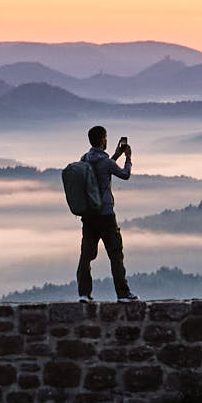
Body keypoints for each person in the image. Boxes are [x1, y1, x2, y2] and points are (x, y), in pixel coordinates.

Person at [76, 125, 136, 301]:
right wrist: (128, 158)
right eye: (106, 137)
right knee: (115, 254)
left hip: (88, 216)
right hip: (106, 216)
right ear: (103, 140)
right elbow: (125, 174)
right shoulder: (107, 162)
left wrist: (116, 155)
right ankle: (123, 294)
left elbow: (103, 166)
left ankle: (84, 294)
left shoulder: (84, 159)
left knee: (86, 255)